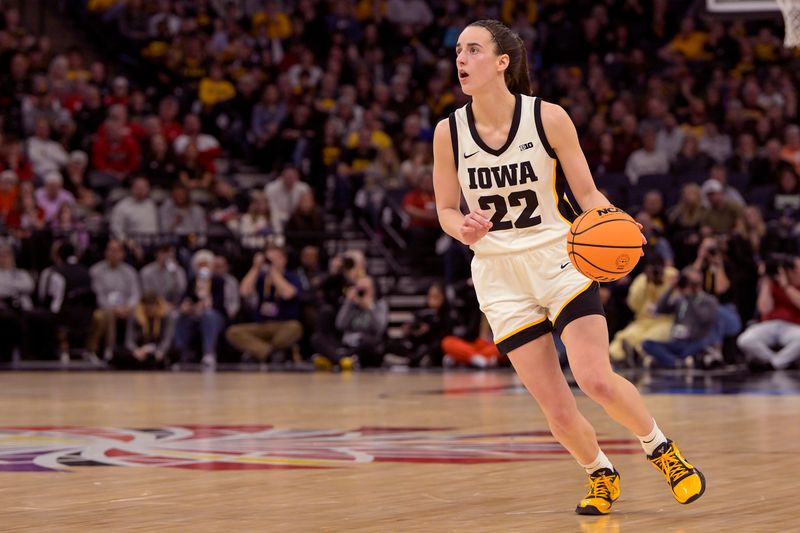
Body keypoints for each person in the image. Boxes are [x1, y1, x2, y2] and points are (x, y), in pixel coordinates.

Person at [431, 20, 705, 516]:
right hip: (498, 275)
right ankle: (600, 473)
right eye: (458, 51)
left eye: (472, 50)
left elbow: (587, 193)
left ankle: (661, 449)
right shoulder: (448, 132)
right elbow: (446, 210)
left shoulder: (549, 118)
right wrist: (461, 227)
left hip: (561, 258)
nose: (460, 59)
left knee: (595, 378)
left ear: (501, 63)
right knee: (556, 409)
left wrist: (612, 222)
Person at [225, 245, 303, 363]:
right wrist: (256, 267)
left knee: (295, 328)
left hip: (283, 324)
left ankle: (258, 352)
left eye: (275, 258)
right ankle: (269, 353)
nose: (271, 261)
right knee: (233, 332)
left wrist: (274, 272)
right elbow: (244, 291)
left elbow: (287, 294)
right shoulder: (261, 277)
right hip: (261, 325)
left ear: (284, 259)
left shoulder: (292, 276)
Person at [640, 267, 720, 369]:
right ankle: (677, 362)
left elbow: (703, 319)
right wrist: (670, 288)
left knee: (704, 344)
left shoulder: (709, 301)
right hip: (676, 342)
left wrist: (690, 297)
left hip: (694, 342)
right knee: (647, 344)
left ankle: (667, 360)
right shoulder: (679, 299)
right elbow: (660, 309)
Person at [609, 255, 677, 365]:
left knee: (651, 337)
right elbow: (633, 304)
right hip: (642, 321)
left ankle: (636, 355)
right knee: (625, 336)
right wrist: (646, 282)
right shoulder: (642, 280)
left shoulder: (672, 276)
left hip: (665, 321)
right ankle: (618, 356)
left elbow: (678, 300)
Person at [737, 255, 800, 371]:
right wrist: (766, 282)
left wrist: (786, 286)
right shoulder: (771, 283)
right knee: (745, 340)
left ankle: (773, 364)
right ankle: (780, 362)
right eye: (794, 268)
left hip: (794, 327)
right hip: (770, 325)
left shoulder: (794, 285)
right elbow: (764, 309)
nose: (796, 271)